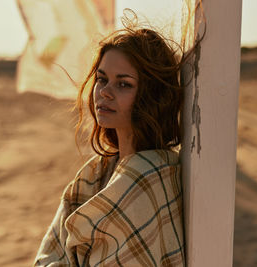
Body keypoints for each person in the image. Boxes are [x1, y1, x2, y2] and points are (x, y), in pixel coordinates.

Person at [33, 10, 202, 266]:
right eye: (102, 80)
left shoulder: (148, 180)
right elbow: (51, 252)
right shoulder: (97, 171)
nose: (105, 93)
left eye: (123, 84)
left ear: (151, 95)